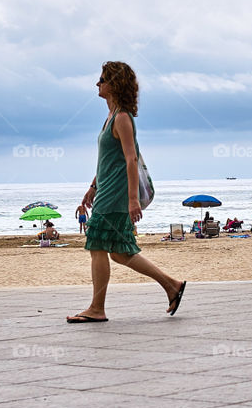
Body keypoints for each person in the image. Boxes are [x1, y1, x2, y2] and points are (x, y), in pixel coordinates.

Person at [67, 61, 185, 324]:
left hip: (115, 196)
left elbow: (131, 159)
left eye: (102, 79)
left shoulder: (121, 118)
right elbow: (110, 160)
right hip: (106, 191)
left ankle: (97, 308)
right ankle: (172, 286)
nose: (97, 84)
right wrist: (92, 186)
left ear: (115, 84)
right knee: (120, 252)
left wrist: (133, 200)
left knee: (97, 245)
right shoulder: (111, 117)